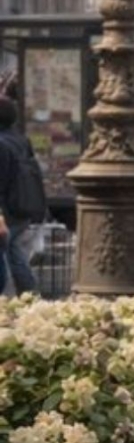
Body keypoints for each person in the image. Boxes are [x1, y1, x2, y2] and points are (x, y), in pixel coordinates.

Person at [0, 97, 48, 297]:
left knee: (10, 250)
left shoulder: (1, 144)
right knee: (13, 251)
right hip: (21, 205)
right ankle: (28, 295)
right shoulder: (20, 139)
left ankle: (27, 294)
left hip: (8, 209)